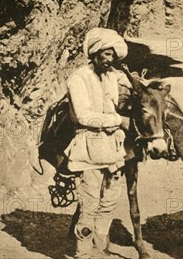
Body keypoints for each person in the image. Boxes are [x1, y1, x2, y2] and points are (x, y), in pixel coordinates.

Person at [64, 27, 131, 259]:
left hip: (113, 152)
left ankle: (100, 251)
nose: (110, 60)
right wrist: (117, 120)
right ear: (95, 53)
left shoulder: (113, 76)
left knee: (109, 204)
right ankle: (83, 254)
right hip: (88, 150)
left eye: (113, 55)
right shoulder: (78, 78)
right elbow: (84, 116)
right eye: (106, 54)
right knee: (89, 206)